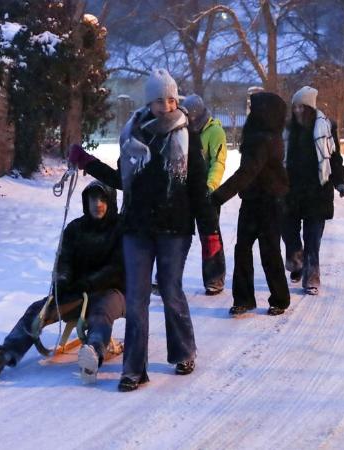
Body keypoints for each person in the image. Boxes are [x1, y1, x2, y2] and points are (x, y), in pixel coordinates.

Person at [68, 69, 217, 392]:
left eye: (171, 99)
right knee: (136, 298)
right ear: (148, 103)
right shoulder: (131, 135)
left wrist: (210, 234)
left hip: (175, 229)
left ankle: (183, 351)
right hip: (136, 227)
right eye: (159, 100)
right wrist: (88, 163)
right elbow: (123, 181)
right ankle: (134, 368)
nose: (166, 105)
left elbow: (197, 190)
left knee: (170, 289)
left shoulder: (187, 136)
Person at [0, 180, 125, 384]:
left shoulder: (121, 229)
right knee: (38, 311)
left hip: (112, 291)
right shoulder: (75, 229)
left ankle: (93, 356)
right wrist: (62, 279)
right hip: (78, 291)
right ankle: (3, 355)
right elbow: (64, 260)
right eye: (92, 199)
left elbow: (118, 266)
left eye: (102, 199)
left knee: (101, 312)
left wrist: (91, 282)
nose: (97, 204)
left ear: (111, 202)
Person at [210, 92, 290, 317]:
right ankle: (244, 299)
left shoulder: (266, 139)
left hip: (269, 202)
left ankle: (280, 299)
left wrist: (218, 197)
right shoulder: (259, 135)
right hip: (252, 201)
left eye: (253, 108)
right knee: (242, 250)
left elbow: (248, 172)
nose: (250, 112)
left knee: (270, 251)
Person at [282, 86, 344, 296]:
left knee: (313, 239)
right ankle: (297, 263)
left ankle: (311, 278)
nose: (298, 111)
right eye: (295, 107)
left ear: (311, 107)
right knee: (289, 233)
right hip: (290, 191)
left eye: (302, 107)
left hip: (317, 191)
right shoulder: (287, 129)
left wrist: (340, 182)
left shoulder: (326, 128)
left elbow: (334, 158)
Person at [182, 94, 228, 296]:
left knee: (210, 236)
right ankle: (166, 275)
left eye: (192, 116)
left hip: (206, 192)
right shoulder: (181, 130)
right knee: (178, 234)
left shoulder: (215, 131)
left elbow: (218, 161)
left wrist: (210, 187)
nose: (190, 119)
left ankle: (215, 277)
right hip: (184, 192)